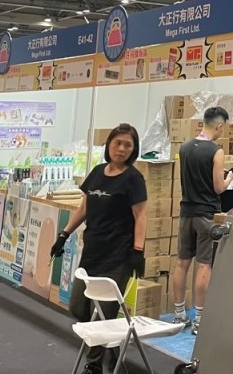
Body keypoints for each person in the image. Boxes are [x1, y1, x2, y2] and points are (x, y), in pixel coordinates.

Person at [50, 124, 147, 374]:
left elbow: (141, 216)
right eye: (118, 143)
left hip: (118, 256)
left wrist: (138, 250)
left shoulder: (133, 179)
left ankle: (93, 365)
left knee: (103, 312)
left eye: (128, 145)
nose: (122, 149)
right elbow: (84, 208)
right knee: (78, 307)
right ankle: (110, 347)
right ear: (109, 145)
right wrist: (64, 235)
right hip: (92, 252)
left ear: (134, 149)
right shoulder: (96, 172)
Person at [171, 107, 233, 332]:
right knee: (204, 265)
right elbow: (218, 188)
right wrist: (229, 178)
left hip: (186, 213)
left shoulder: (185, 147)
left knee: (182, 263)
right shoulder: (216, 152)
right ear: (219, 125)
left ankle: (179, 315)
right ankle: (200, 318)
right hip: (207, 215)